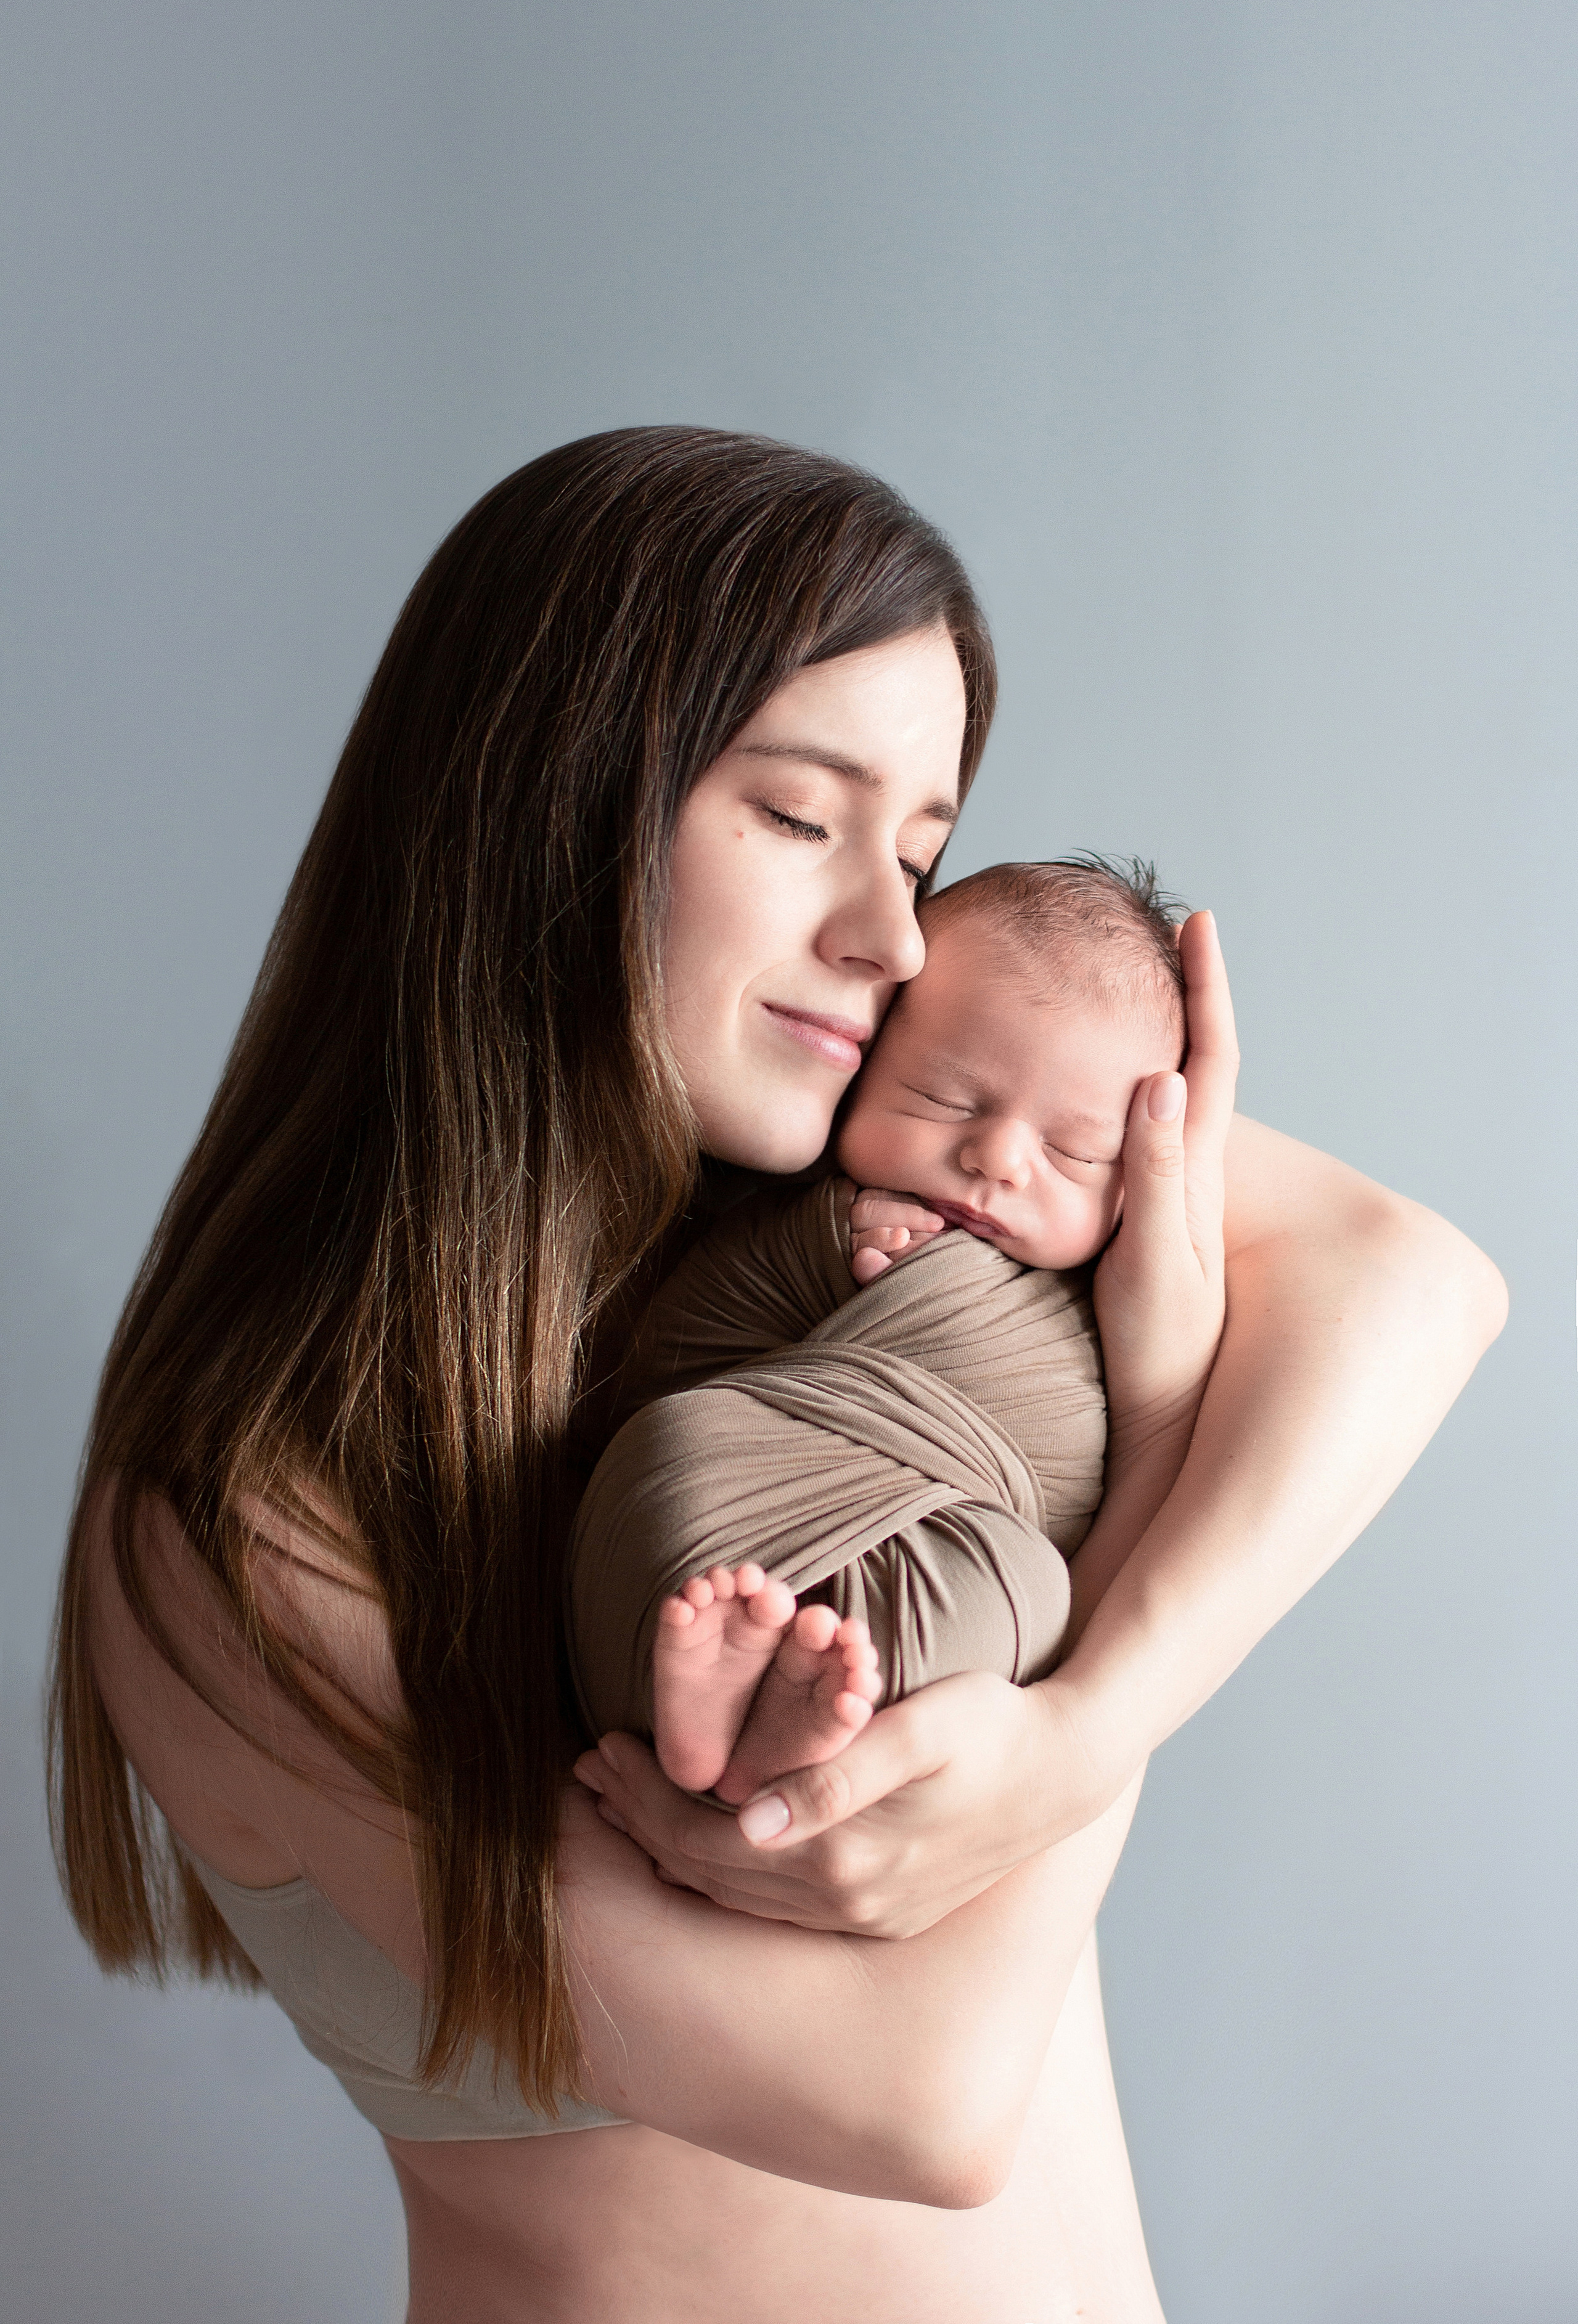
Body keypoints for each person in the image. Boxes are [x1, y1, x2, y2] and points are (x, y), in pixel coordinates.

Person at [48, 427, 1506, 2323]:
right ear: (541, 812)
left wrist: (1075, 1719)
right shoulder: (241, 1515)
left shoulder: (865, 1171)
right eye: (802, 818)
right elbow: (922, 2097)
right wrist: (1142, 1464)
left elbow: (1414, 1281)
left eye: (922, 846)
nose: (893, 936)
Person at [576, 855, 1204, 1807]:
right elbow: (675, 1352)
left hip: (946, 1559)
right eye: (947, 1098)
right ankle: (707, 1704)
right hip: (724, 1531)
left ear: (1137, 1178)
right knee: (675, 1442)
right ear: (862, 1063)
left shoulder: (1110, 1305)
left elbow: (1075, 1492)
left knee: (1030, 1589)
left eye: (1074, 1151)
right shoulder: (798, 1220)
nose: (996, 1157)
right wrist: (819, 1245)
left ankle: (770, 1730)